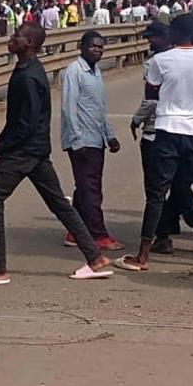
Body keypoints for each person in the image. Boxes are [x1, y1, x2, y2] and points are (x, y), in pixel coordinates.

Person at [0, 23, 114, 286]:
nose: (11, 39)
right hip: (35, 151)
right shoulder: (28, 69)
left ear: (30, 44)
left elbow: (26, 122)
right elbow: (17, 119)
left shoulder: (28, 76)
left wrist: (2, 148)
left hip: (25, 152)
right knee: (60, 204)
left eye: (17, 37)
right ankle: (95, 259)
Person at [116, 15, 193, 273]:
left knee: (156, 193)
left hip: (167, 129)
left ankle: (142, 256)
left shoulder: (159, 61)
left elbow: (152, 95)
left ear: (174, 34)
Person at [59, 31, 123, 251]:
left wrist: (110, 134)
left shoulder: (96, 73)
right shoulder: (74, 71)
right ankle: (98, 234)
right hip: (82, 140)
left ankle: (74, 231)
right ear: (81, 46)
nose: (97, 50)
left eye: (101, 47)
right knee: (91, 189)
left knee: (85, 187)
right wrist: (77, 141)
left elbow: (99, 108)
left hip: (97, 138)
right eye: (93, 46)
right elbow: (69, 108)